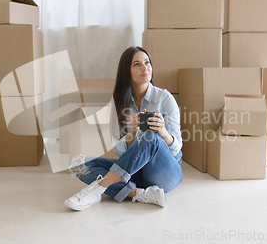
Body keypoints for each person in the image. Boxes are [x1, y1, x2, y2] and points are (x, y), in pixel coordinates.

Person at [64, 46, 183, 211]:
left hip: (165, 172)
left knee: (150, 137)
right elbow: (120, 152)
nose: (144, 67)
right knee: (78, 164)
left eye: (147, 62)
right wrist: (132, 133)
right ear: (126, 72)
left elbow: (177, 149)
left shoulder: (165, 98)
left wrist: (162, 132)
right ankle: (138, 194)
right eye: (137, 64)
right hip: (135, 170)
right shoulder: (119, 104)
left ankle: (98, 189)